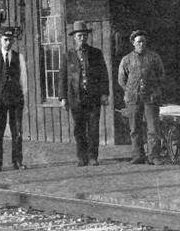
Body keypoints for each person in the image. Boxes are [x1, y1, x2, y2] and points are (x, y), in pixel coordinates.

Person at [58, 20, 110, 167]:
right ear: (74, 37)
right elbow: (62, 77)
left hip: (93, 98)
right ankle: (81, 157)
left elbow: (104, 75)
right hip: (75, 98)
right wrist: (62, 98)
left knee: (93, 128)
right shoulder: (68, 56)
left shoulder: (96, 53)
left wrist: (104, 93)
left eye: (84, 35)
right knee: (79, 129)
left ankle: (93, 157)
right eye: (79, 36)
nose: (82, 38)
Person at [0, 26, 28, 172]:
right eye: (5, 40)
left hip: (15, 99)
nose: (8, 43)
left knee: (17, 132)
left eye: (10, 40)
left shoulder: (18, 57)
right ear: (0, 40)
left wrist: (22, 96)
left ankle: (17, 162)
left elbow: (23, 79)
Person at [117, 29, 166, 164]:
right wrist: (131, 90)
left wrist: (155, 89)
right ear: (133, 43)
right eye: (138, 42)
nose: (141, 44)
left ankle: (154, 156)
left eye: (143, 41)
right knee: (135, 129)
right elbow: (121, 80)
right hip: (133, 99)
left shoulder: (154, 57)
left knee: (153, 128)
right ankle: (138, 155)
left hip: (151, 98)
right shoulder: (126, 60)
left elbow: (161, 75)